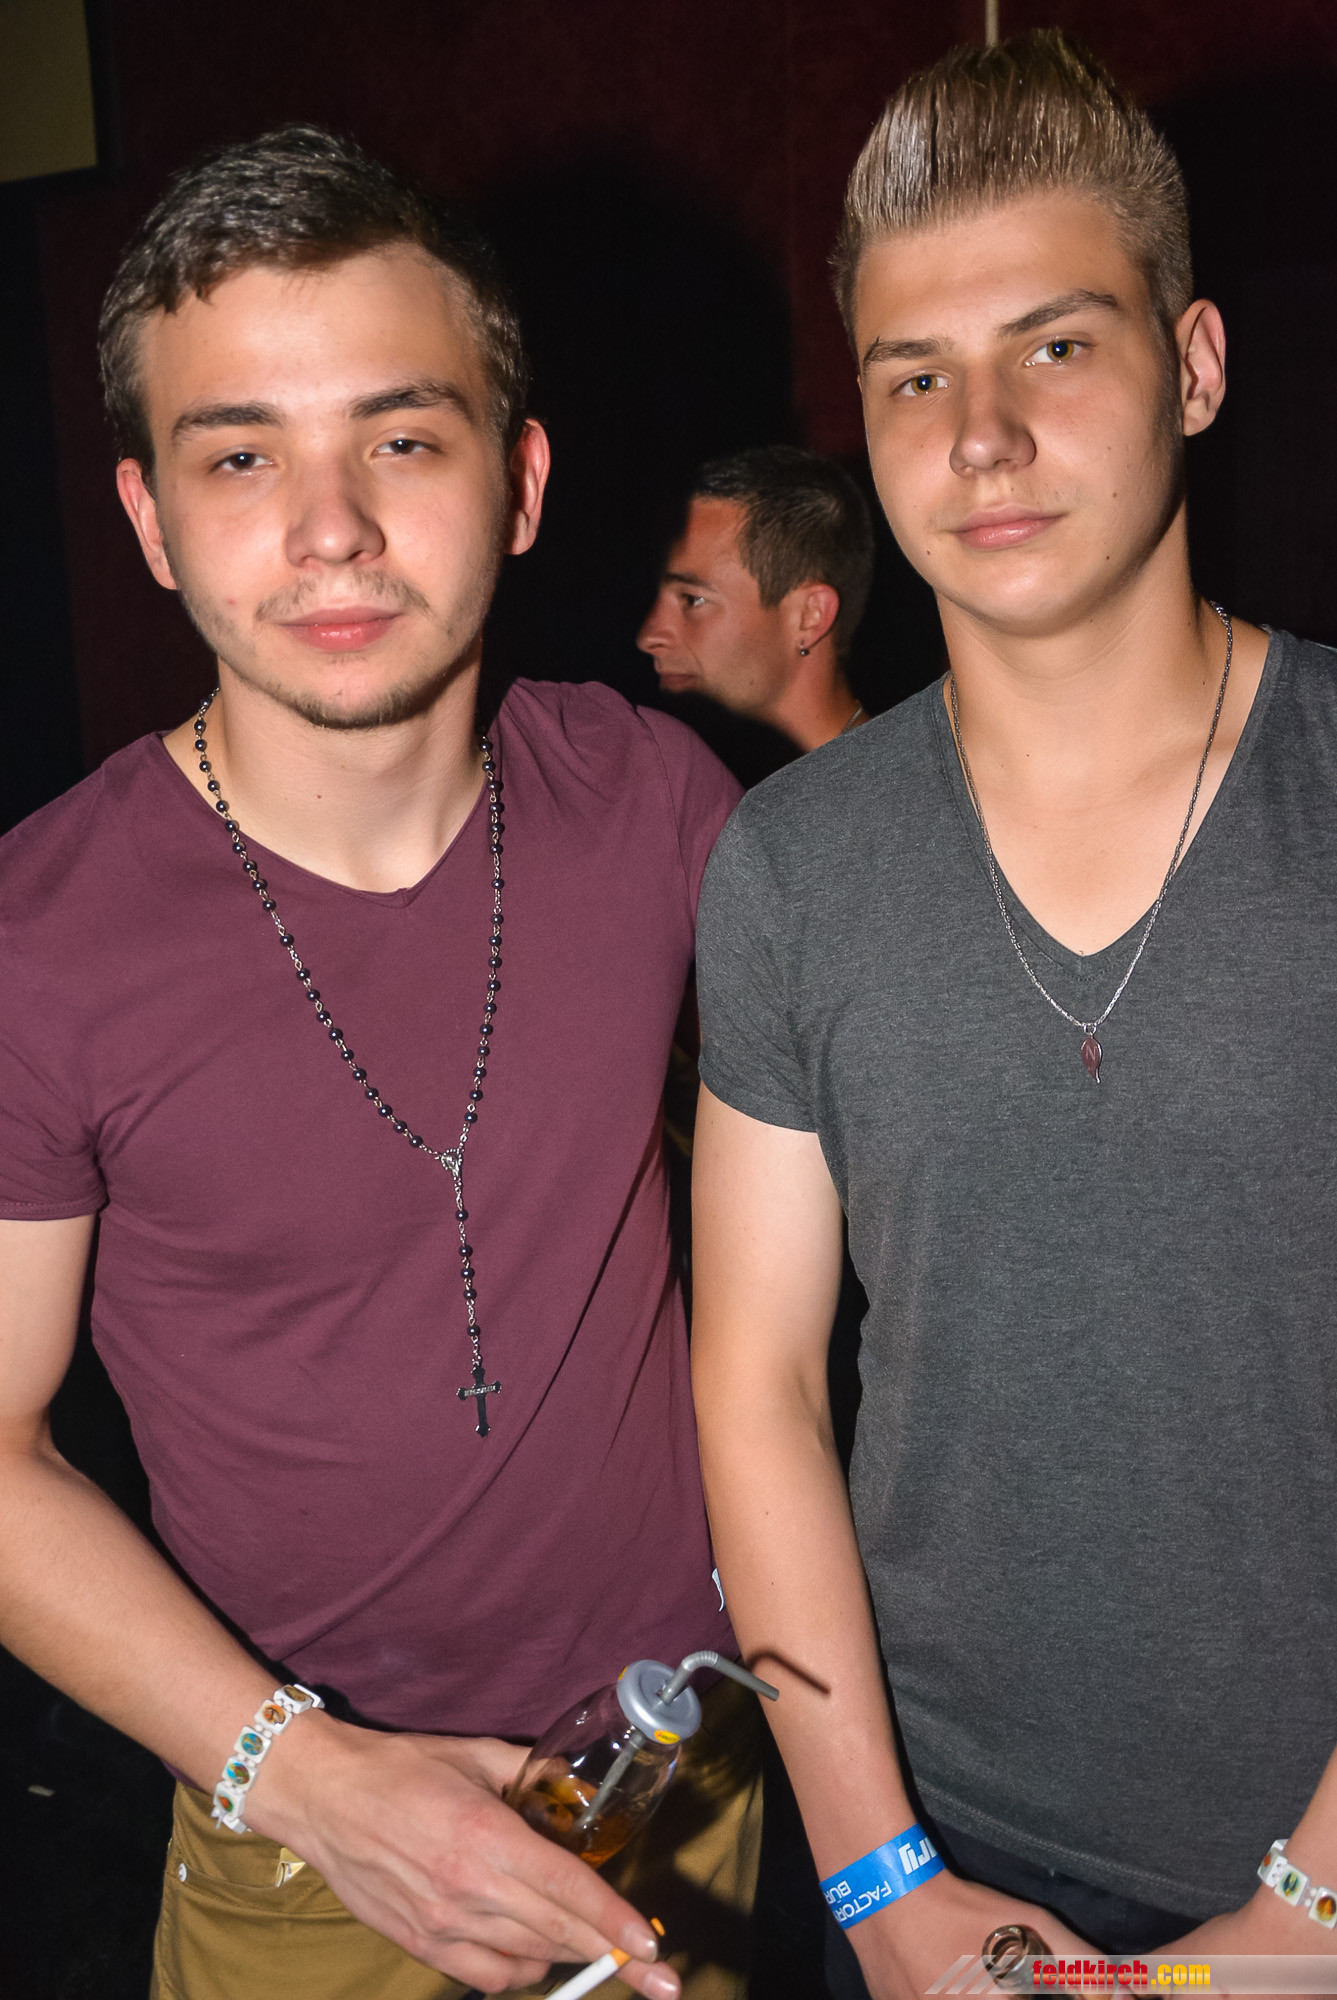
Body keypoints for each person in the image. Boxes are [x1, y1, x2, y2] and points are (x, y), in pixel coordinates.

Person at [0, 125, 760, 2000]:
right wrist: (310, 1778)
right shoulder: (40, 936)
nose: (329, 528)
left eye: (401, 441)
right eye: (240, 456)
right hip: (313, 1850)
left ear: (519, 483)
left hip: (691, 1779)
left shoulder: (656, 805)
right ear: (149, 520)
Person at [689, 28, 1337, 1999]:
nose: (975, 435)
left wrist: (1300, 1918)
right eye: (912, 376)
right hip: (928, 1861)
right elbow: (755, 1384)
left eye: (1051, 346)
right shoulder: (789, 862)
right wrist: (877, 1878)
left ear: (1193, 364)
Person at [637, 446, 875, 753]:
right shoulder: (696, 764)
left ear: (809, 616)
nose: (649, 637)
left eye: (693, 600)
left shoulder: (903, 778)